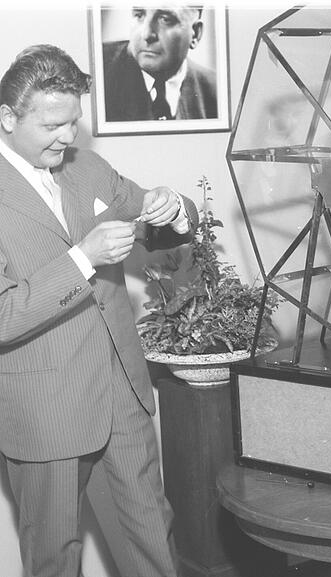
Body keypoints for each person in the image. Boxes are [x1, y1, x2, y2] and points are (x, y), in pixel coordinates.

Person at [0, 44, 198, 576]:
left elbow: (155, 219)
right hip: (45, 408)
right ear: (7, 118)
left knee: (153, 537)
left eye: (75, 122)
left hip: (122, 393)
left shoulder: (87, 166)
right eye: (52, 125)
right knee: (54, 556)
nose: (68, 137)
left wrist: (174, 207)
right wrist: (82, 259)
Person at [102, 5, 217, 121]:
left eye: (165, 19)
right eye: (139, 15)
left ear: (195, 34)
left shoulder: (216, 92)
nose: (146, 34)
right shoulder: (98, 73)